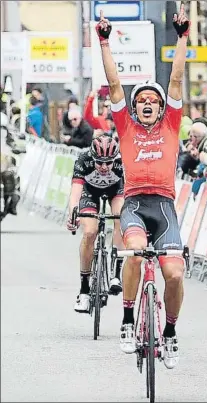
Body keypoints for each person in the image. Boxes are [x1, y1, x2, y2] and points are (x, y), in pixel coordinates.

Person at [96, 8, 190, 368]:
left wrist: (182, 36)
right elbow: (116, 83)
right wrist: (104, 41)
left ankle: (169, 331)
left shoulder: (171, 124)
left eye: (154, 101)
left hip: (164, 207)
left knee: (175, 273)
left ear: (163, 107)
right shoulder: (126, 127)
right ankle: (126, 320)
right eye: (142, 102)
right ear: (134, 109)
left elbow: (177, 79)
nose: (148, 104)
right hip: (134, 203)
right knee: (134, 251)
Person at [66, 135, 125, 312]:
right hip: (89, 193)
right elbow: (75, 193)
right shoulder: (83, 160)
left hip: (116, 191)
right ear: (93, 158)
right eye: (99, 162)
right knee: (90, 232)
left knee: (120, 218)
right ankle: (84, 291)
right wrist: (73, 215)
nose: (104, 167)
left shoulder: (123, 162)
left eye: (109, 162)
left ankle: (116, 274)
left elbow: (130, 193)